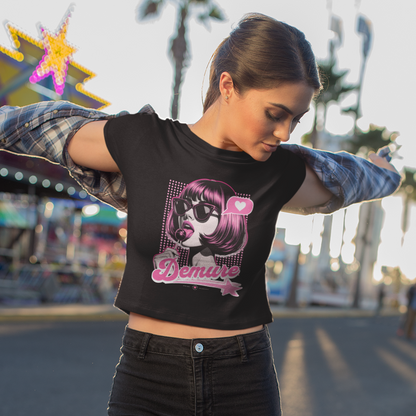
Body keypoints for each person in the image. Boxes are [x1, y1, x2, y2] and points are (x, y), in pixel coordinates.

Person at [0, 13, 401, 416]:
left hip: (243, 377)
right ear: (228, 85)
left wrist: (387, 174)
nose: (285, 133)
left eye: (295, 119)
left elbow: (350, 180)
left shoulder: (281, 171)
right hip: (147, 377)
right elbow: (38, 128)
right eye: (275, 113)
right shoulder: (144, 142)